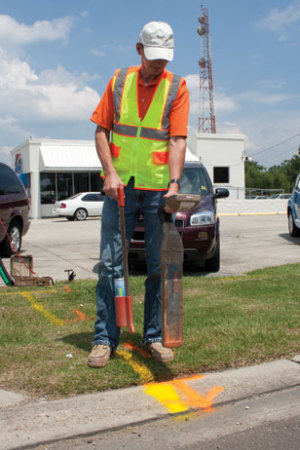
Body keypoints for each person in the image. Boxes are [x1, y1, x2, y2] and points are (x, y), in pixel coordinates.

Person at [88, 21, 190, 368]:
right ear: (139, 49)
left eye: (165, 58)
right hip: (120, 189)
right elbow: (102, 131)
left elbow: (177, 139)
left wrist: (174, 184)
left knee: (158, 268)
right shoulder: (119, 81)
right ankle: (105, 339)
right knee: (111, 264)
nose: (160, 64)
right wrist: (111, 173)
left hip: (157, 191)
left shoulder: (177, 86)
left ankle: (153, 337)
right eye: (153, 57)